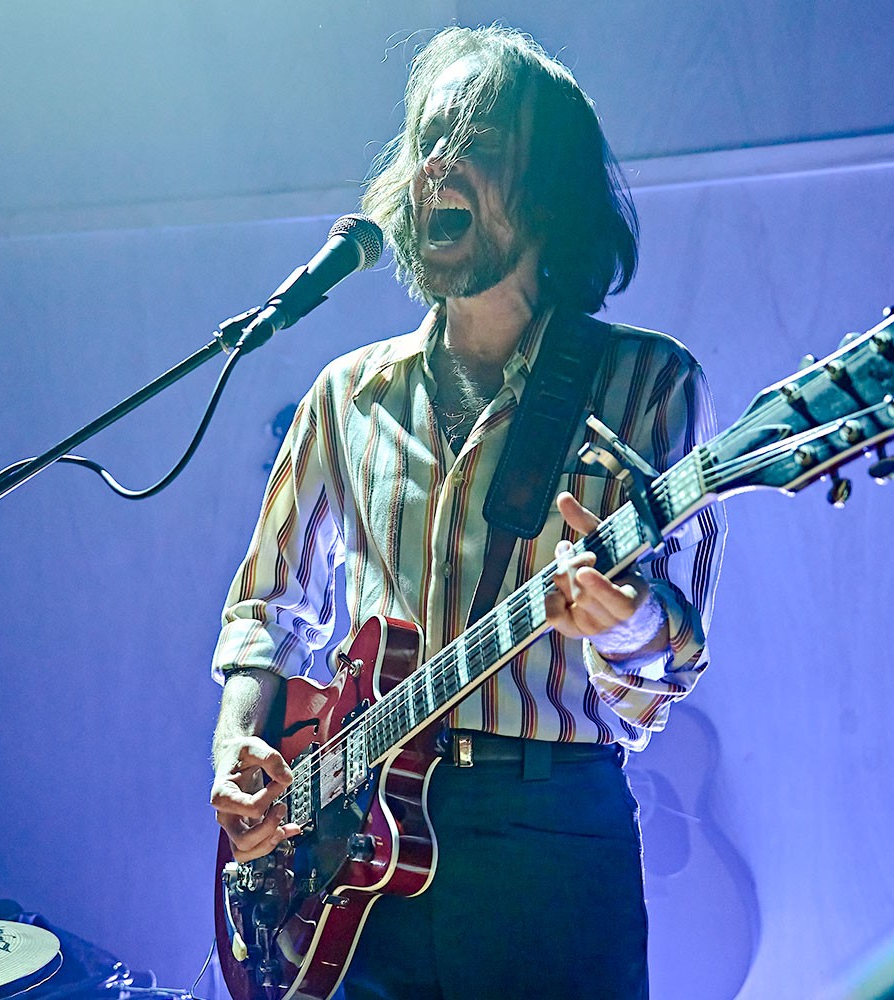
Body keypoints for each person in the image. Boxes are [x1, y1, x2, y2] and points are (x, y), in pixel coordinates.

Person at [209, 25, 724, 1000]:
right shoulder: (345, 395)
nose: (439, 161)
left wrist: (626, 621)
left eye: (481, 141)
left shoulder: (643, 384)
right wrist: (238, 741)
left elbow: (661, 682)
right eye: (426, 139)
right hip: (349, 849)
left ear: (551, 192)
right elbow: (261, 611)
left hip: (549, 843)